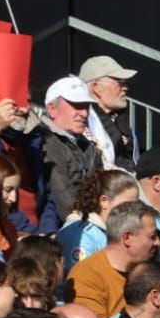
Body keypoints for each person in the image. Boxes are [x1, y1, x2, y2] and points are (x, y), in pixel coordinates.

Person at [67, 200, 160, 318]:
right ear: (127, 238)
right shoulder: (87, 276)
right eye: (152, 237)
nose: (158, 243)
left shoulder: (149, 271)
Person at [38, 75, 104, 227]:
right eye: (77, 105)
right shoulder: (47, 142)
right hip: (71, 232)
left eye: (86, 106)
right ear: (52, 109)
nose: (85, 113)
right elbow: (62, 198)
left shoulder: (87, 145)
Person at [56, 169, 141, 274]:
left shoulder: (116, 230)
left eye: (136, 205)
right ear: (104, 201)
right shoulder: (80, 234)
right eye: (127, 205)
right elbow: (82, 280)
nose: (133, 211)